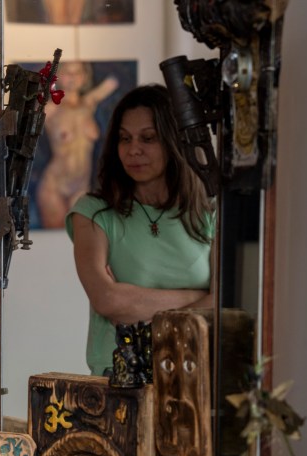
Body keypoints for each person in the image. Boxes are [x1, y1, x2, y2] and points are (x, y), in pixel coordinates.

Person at [65, 84, 215, 376]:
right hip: (121, 377)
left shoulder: (210, 209)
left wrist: (135, 302)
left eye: (148, 138)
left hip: (196, 370)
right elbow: (107, 300)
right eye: (125, 138)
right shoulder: (94, 211)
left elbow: (227, 303)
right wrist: (200, 296)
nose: (134, 150)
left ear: (173, 142)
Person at [36, 61, 118, 228]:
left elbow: (113, 82)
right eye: (67, 71)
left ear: (85, 77)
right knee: (55, 241)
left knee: (81, 241)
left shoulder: (88, 104)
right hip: (54, 186)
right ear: (58, 77)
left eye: (78, 72)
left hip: (81, 187)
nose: (73, 77)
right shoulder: (50, 109)